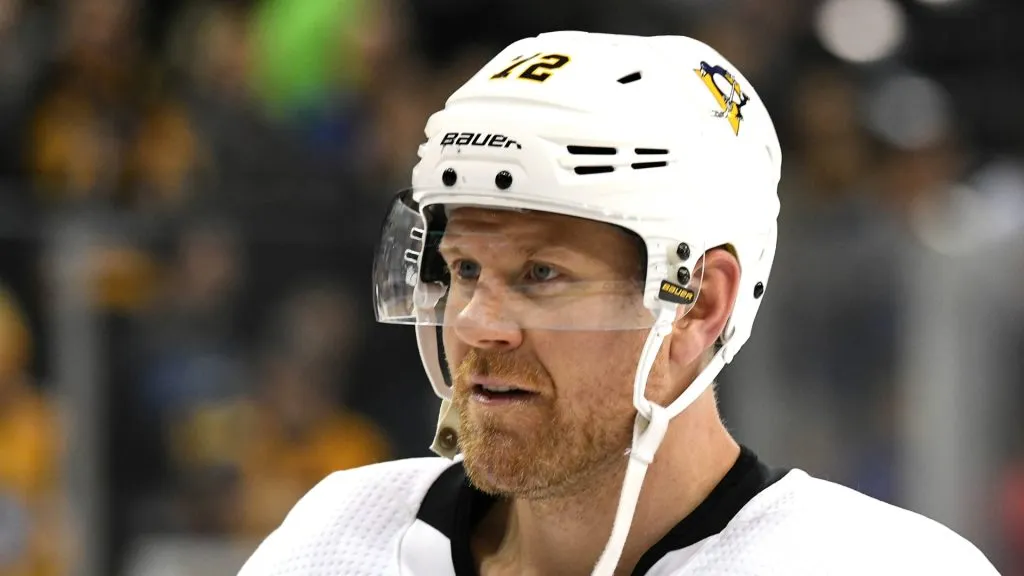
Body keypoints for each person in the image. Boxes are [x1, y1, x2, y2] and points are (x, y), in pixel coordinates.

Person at [237, 32, 998, 576]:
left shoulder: (878, 566)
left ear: (699, 306)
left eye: (540, 274)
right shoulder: (338, 536)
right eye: (465, 266)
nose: (474, 322)